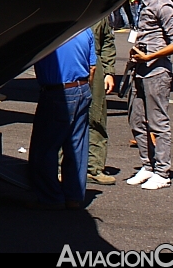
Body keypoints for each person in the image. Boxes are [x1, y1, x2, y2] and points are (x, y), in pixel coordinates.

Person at [125, 0, 173, 190]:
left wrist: (150, 56)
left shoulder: (162, 4)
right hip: (139, 70)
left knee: (158, 123)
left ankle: (162, 171)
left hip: (156, 72)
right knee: (137, 120)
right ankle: (147, 165)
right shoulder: (140, 4)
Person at [28, 28, 95, 210]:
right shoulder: (85, 29)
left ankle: (51, 197)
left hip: (58, 92)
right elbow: (92, 66)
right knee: (77, 146)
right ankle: (73, 196)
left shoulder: (48, 33)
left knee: (45, 148)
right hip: (82, 87)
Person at [87, 16, 117, 185]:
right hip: (71, 62)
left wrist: (109, 72)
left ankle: (94, 168)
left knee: (96, 117)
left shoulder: (99, 13)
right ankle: (61, 167)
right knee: (65, 119)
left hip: (96, 65)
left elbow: (107, 41)